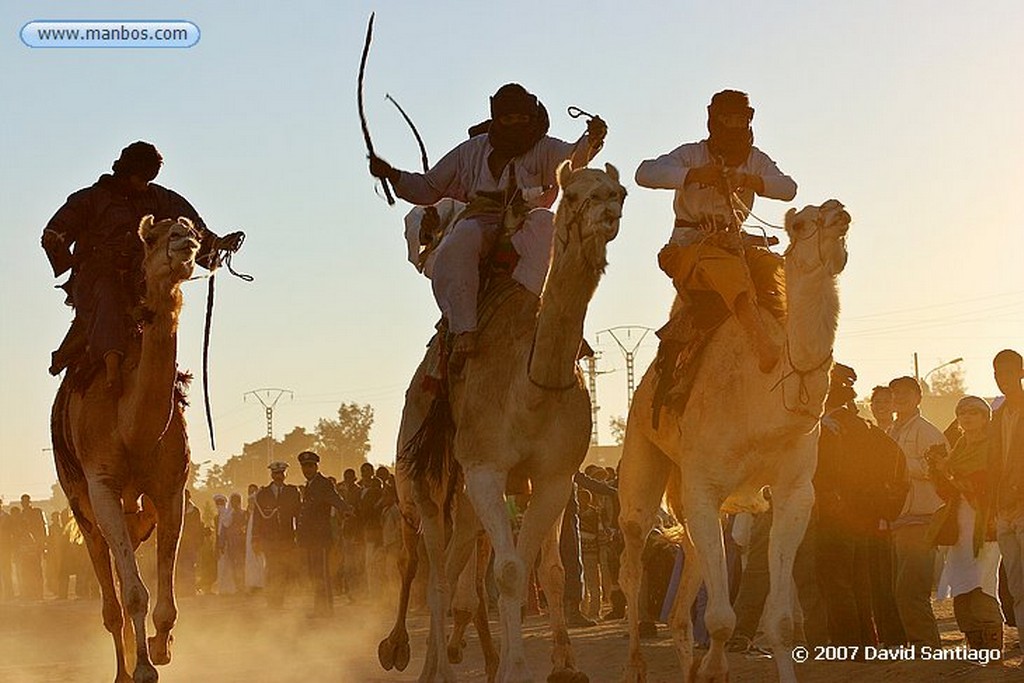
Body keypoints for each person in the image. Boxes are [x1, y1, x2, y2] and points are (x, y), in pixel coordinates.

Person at [369, 83, 607, 366]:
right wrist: (393, 175)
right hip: (479, 220)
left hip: (525, 221)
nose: (515, 125)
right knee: (462, 238)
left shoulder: (544, 148)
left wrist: (591, 140)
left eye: (522, 119)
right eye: (508, 119)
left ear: (531, 117)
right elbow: (427, 188)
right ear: (497, 119)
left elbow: (572, 160)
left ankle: (530, 309)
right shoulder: (470, 151)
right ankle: (464, 330)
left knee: (546, 224)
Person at [41, 141, 243, 392]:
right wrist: (54, 238)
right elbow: (58, 229)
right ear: (126, 173)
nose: (144, 184)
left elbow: (192, 230)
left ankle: (164, 376)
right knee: (108, 294)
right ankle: (111, 369)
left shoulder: (159, 199)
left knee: (163, 298)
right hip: (96, 276)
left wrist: (216, 244)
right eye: (141, 177)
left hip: (141, 276)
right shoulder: (89, 200)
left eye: (149, 178)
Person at [635, 90, 797, 372]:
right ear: (715, 120)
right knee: (725, 267)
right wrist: (694, 175)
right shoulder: (691, 155)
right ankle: (762, 345)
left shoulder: (755, 160)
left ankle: (794, 346)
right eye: (729, 118)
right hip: (688, 250)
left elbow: (788, 188)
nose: (736, 125)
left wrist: (749, 180)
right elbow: (644, 173)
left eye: (741, 119)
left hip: (737, 245)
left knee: (775, 267)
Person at [926, 396, 1003, 653]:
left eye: (974, 412)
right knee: (961, 586)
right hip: (959, 527)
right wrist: (937, 471)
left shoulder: (992, 447)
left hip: (984, 526)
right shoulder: (959, 447)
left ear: (985, 418)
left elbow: (981, 486)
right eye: (962, 413)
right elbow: (949, 493)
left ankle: (992, 650)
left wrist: (949, 471)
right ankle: (975, 646)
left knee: (981, 584)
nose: (967, 417)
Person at [887, 376, 947, 648]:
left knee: (911, 590)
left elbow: (939, 470)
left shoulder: (927, 432)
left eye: (906, 393)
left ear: (918, 397)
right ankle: (919, 645)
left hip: (922, 520)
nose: (899, 398)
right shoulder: (893, 431)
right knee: (901, 590)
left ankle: (928, 647)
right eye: (895, 393)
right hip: (899, 521)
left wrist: (898, 465)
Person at [991, 349, 1024, 653]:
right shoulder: (998, 415)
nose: (1002, 378)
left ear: (1021, 371)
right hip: (1004, 510)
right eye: (997, 372)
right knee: (1016, 588)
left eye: (1007, 371)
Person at [296, 451, 352, 616]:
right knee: (316, 574)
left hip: (320, 537)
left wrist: (346, 508)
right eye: (304, 467)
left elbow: (334, 498)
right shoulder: (310, 484)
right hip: (311, 538)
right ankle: (319, 608)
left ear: (316, 466)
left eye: (310, 466)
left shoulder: (322, 483)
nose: (307, 470)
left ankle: (326, 609)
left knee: (322, 574)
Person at [252, 461, 302, 608]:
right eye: (276, 474)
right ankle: (271, 600)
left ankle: (280, 598)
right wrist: (255, 538)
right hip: (269, 538)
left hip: (286, 537)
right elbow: (257, 517)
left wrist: (298, 535)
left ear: (285, 475)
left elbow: (298, 515)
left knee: (284, 568)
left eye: (281, 473)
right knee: (271, 568)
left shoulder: (292, 492)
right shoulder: (263, 493)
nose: (279, 476)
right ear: (272, 475)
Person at [243, 483, 265, 594]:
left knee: (259, 558)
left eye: (253, 490)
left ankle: (260, 583)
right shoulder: (248, 509)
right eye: (249, 490)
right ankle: (252, 583)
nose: (251, 492)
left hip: (257, 530)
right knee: (251, 558)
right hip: (250, 531)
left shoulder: (260, 503)